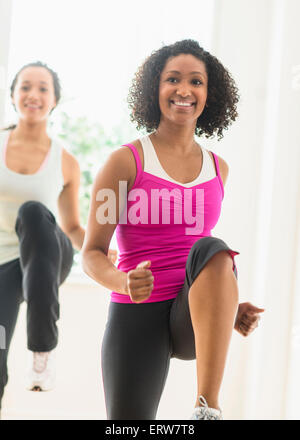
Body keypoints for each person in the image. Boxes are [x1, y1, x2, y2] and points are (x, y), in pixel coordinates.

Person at [82, 40, 264, 420]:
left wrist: (226, 306)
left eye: (196, 82)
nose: (184, 90)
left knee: (213, 248)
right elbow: (92, 253)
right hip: (137, 310)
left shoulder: (218, 169)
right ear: (155, 89)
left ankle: (207, 408)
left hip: (187, 315)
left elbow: (210, 267)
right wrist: (122, 282)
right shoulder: (125, 162)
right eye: (173, 80)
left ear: (209, 94)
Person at [0, 61, 117, 415]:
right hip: (6, 273)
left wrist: (104, 253)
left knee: (34, 213)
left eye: (42, 88)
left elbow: (71, 227)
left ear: (54, 100)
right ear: (13, 95)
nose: (33, 95)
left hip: (48, 258)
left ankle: (42, 350)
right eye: (25, 87)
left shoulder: (65, 162)